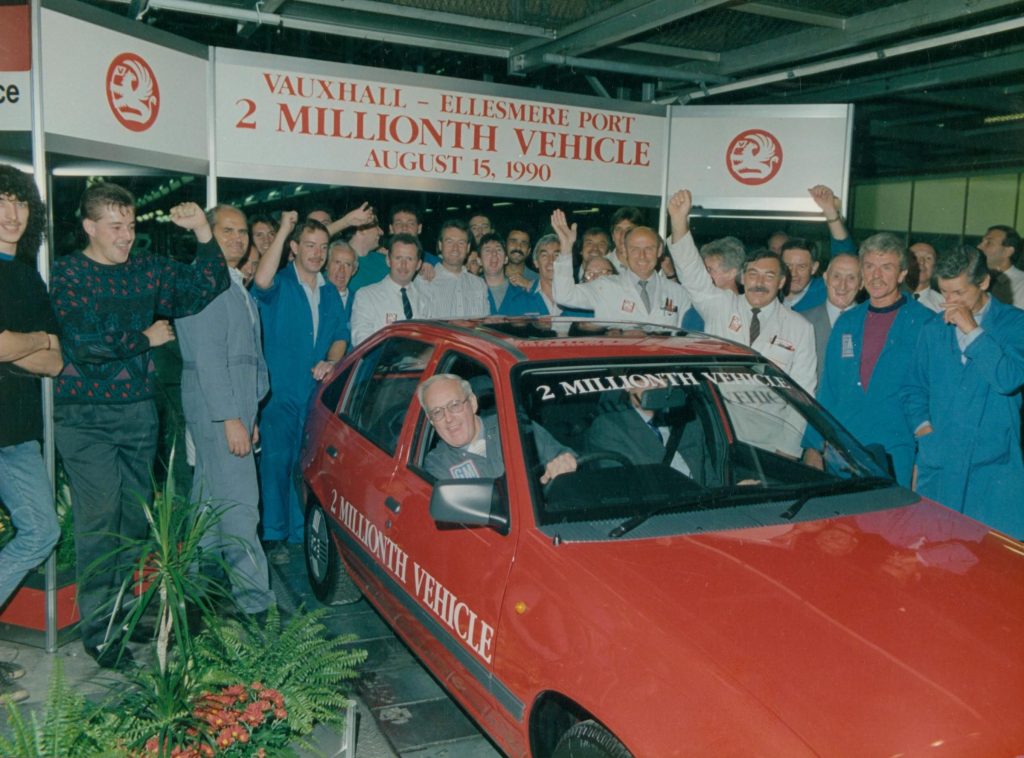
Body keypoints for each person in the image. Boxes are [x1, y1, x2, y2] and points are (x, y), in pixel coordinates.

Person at [50, 185, 229, 669]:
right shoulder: (68, 272)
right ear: (90, 227)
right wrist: (144, 338)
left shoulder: (147, 270)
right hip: (84, 417)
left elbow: (209, 285)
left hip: (136, 413)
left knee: (132, 521)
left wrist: (201, 232)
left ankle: (123, 610)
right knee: (99, 519)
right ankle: (100, 631)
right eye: (115, 227)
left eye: (130, 226)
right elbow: (83, 340)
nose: (127, 236)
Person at [175, 205, 275, 619]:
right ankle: (255, 604)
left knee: (208, 500)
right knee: (240, 506)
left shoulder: (230, 283)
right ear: (207, 234)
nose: (237, 239)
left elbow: (241, 358)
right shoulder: (208, 284)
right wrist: (231, 419)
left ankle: (190, 586)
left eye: (242, 232)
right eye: (227, 231)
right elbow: (210, 359)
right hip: (221, 411)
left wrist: (246, 417)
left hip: (232, 410)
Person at [901, 245, 1024, 539]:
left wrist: (973, 331)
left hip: (993, 469)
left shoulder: (1015, 324)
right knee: (937, 559)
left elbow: (1008, 379)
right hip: (941, 464)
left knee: (992, 569)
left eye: (959, 293)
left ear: (983, 282)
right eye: (944, 293)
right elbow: (913, 388)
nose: (949, 302)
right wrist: (923, 429)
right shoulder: (932, 327)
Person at [252, 211, 351, 561]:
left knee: (306, 462)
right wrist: (282, 230)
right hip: (278, 392)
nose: (317, 253)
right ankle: (275, 532)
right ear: (294, 248)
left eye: (322, 247)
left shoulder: (328, 293)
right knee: (276, 461)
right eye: (309, 245)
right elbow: (260, 283)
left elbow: (341, 335)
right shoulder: (279, 283)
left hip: (313, 393)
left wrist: (332, 360)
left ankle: (300, 530)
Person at [0, 165, 62, 701]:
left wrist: (25, 341)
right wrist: (33, 340)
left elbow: (55, 362)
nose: (11, 213)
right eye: (1, 201)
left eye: (20, 202)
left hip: (15, 433)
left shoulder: (26, 276)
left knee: (42, 531)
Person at [809, 235, 931, 486]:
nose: (876, 276)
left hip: (897, 449)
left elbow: (934, 396)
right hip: (843, 449)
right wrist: (813, 445)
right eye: (869, 267)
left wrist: (926, 457)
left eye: (886, 267)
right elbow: (828, 389)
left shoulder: (926, 323)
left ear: (902, 274)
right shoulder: (847, 321)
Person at [667, 189, 816, 394]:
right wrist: (678, 221)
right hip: (721, 417)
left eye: (769, 276)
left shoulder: (800, 328)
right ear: (743, 278)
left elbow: (803, 390)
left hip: (770, 421)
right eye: (753, 274)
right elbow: (692, 274)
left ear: (781, 282)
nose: (759, 282)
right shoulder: (720, 305)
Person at [419, 373, 576, 482]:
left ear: (473, 403)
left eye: (454, 405)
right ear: (431, 421)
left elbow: (565, 456)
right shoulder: (437, 464)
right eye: (437, 412)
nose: (448, 418)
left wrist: (566, 462)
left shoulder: (516, 427)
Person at [552, 210, 690, 327]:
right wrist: (565, 247)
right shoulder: (605, 286)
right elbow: (564, 296)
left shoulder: (678, 293)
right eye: (635, 249)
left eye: (649, 248)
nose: (642, 256)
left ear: (659, 251)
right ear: (625, 251)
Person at [351, 233, 427, 345]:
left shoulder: (425, 299)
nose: (403, 265)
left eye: (409, 259)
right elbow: (361, 341)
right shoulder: (366, 296)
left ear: (418, 264)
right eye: (398, 258)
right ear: (388, 260)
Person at [801, 254, 862, 379]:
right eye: (836, 276)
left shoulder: (875, 324)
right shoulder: (801, 322)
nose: (842, 285)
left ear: (862, 283)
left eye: (851, 278)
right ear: (825, 278)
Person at [421, 219, 488, 319]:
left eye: (461, 243)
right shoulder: (425, 281)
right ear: (440, 245)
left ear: (468, 247)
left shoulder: (479, 284)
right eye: (449, 242)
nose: (455, 248)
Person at [479, 233, 538, 316]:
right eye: (488, 250)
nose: (494, 254)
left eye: (498, 250)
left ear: (506, 259)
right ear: (479, 260)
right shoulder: (472, 290)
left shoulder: (520, 291)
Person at [976, 225, 1023, 307]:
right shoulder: (974, 278)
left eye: (989, 243)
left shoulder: (1021, 284)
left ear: (1008, 251)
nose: (979, 246)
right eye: (981, 242)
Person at [781, 238, 826, 313]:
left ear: (814, 268)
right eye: (788, 266)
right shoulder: (770, 293)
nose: (793, 273)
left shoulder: (824, 290)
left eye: (801, 266)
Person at [326, 239, 359, 324]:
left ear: (354, 270)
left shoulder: (358, 300)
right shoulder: (314, 293)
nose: (342, 270)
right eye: (337, 262)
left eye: (348, 265)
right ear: (326, 265)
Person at [908, 241, 943, 312]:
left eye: (928, 258)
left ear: (935, 266)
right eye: (915, 257)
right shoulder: (887, 297)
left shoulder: (943, 305)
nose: (921, 262)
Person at [608, 206, 645, 273]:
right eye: (618, 229)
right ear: (612, 236)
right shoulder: (603, 265)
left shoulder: (647, 264)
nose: (623, 235)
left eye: (629, 230)